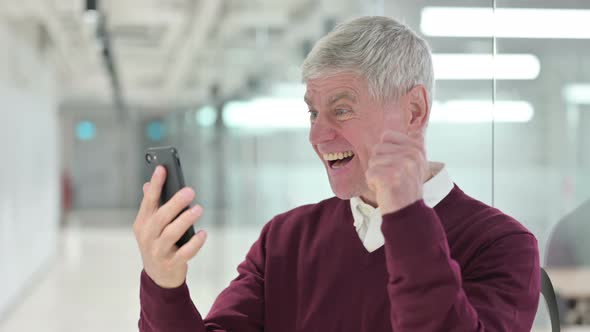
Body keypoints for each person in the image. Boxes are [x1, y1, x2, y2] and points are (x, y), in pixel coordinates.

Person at [133, 16, 540, 331]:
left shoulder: (500, 245)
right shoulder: (285, 240)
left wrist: (406, 217)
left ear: (414, 111)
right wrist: (164, 283)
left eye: (341, 109)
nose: (318, 134)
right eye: (313, 112)